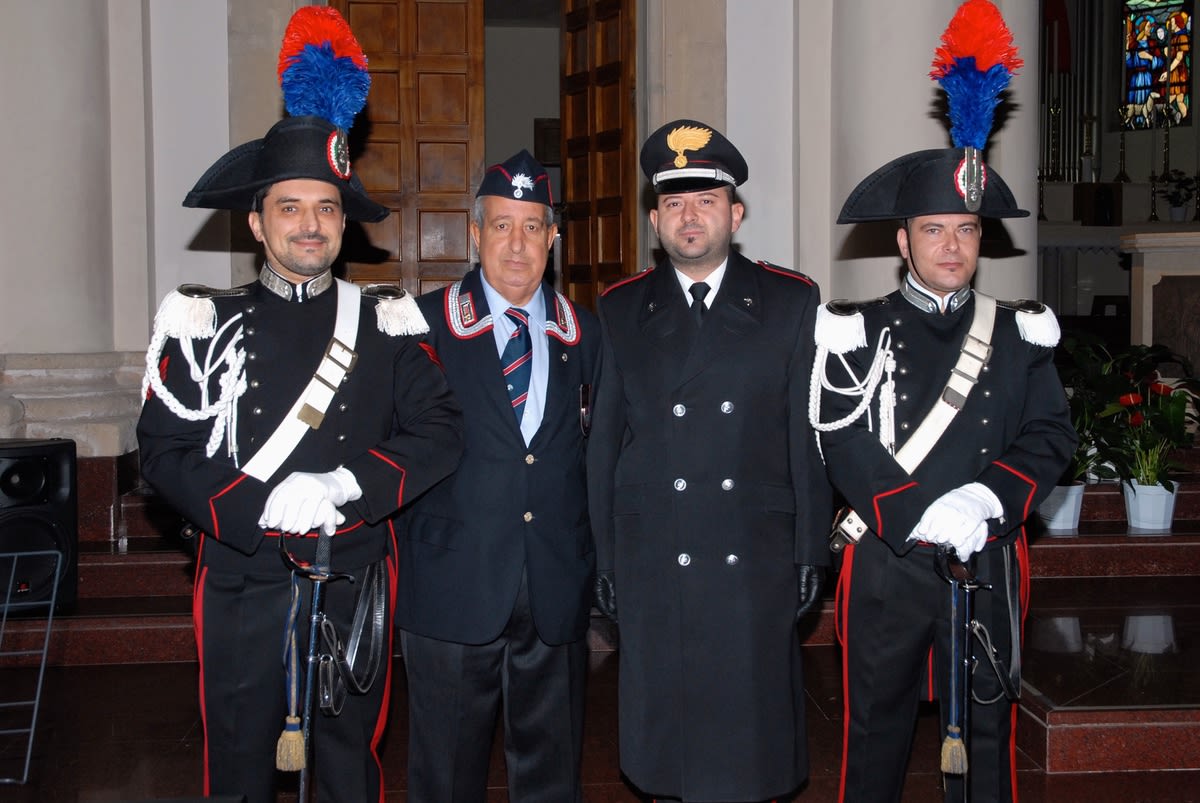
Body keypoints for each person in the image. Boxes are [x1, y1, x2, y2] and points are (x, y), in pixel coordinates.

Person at [136, 8, 463, 802]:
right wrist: (251, 508)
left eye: (326, 208)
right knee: (237, 771)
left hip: (351, 575)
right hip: (240, 574)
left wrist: (345, 483)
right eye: (290, 207)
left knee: (349, 771)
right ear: (257, 221)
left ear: (344, 222)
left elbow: (441, 430)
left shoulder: (386, 323)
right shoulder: (204, 322)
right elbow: (162, 450)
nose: (310, 225)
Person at [813, 88, 1076, 803]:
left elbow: (1052, 432)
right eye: (933, 229)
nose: (952, 246)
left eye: (966, 229)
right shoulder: (856, 328)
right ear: (903, 241)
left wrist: (986, 498)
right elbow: (837, 433)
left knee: (987, 738)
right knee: (874, 735)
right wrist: (911, 509)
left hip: (985, 556)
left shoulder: (1019, 332)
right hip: (887, 560)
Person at [587, 119, 833, 803]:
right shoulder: (621, 307)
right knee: (667, 748)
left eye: (705, 200)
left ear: (736, 213)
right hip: (656, 553)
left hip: (752, 552)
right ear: (655, 220)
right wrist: (605, 559)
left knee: (748, 741)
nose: (689, 217)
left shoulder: (790, 300)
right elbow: (603, 446)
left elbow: (806, 437)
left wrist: (811, 549)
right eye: (674, 203)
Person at [395, 149, 600, 803]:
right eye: (503, 225)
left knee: (551, 775)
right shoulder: (419, 326)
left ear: (553, 238)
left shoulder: (587, 335)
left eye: (532, 226)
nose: (517, 244)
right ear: (475, 232)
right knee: (446, 776)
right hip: (451, 587)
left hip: (554, 587)